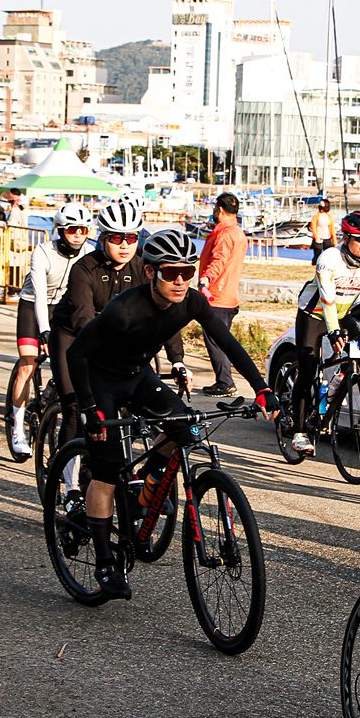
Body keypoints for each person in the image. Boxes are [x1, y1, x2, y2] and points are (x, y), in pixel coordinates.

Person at [65, 227, 272, 600]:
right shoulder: (123, 310)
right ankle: (106, 562)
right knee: (107, 472)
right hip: (102, 382)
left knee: (186, 428)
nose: (180, 281)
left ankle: (145, 483)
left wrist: (262, 389)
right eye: (170, 272)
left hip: (138, 376)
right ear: (150, 272)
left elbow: (228, 343)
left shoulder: (191, 302)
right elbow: (76, 353)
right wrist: (90, 410)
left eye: (187, 272)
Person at [289, 209, 360, 455]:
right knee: (308, 370)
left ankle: (336, 386)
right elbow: (327, 299)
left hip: (341, 315)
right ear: (346, 238)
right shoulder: (329, 257)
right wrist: (334, 332)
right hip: (313, 315)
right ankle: (299, 432)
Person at [48, 196, 167, 396]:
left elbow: (163, 312)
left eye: (131, 238)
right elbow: (83, 314)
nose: (124, 245)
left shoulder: (142, 269)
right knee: (74, 401)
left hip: (114, 335)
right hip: (71, 333)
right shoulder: (84, 268)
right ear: (103, 239)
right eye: (116, 238)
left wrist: (178, 360)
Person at [7, 201, 93, 457]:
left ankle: (51, 399)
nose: (77, 235)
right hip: (33, 305)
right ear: (60, 230)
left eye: (83, 230)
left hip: (65, 309)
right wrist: (45, 331)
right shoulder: (43, 251)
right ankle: (18, 429)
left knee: (71, 361)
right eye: (72, 230)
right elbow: (40, 294)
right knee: (28, 363)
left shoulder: (89, 253)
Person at [197, 192, 248, 396]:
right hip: (230, 294)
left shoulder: (224, 235)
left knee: (215, 340)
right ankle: (225, 380)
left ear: (219, 209)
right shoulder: (238, 233)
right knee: (221, 339)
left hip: (217, 295)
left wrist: (206, 278)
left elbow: (218, 260)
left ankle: (225, 382)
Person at [308, 198, 336, 263]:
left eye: (321, 205)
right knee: (317, 255)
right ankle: (315, 265)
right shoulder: (316, 215)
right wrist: (316, 237)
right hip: (318, 238)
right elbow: (313, 226)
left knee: (329, 255)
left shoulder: (330, 216)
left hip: (327, 238)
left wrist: (334, 240)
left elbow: (332, 229)